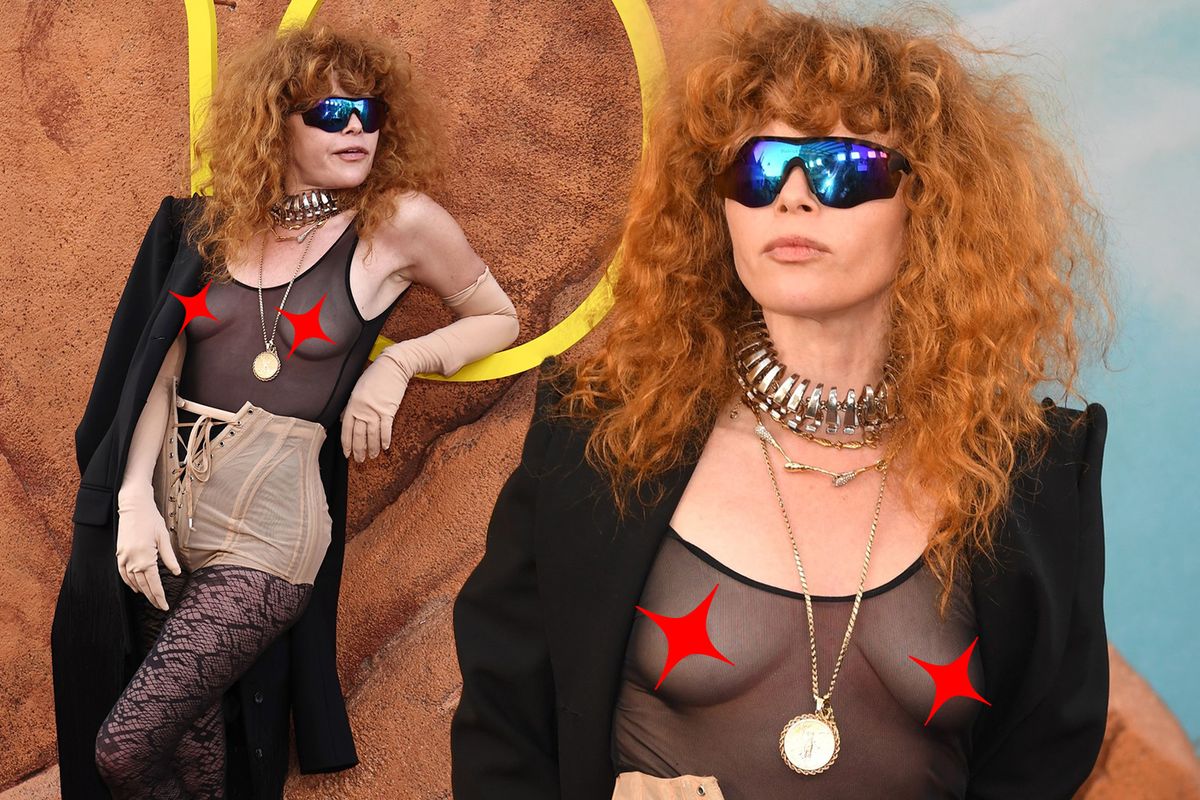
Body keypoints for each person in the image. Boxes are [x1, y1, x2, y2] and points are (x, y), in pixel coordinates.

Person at [449, 2, 1112, 799]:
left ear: (930, 201)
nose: (793, 198)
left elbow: (1040, 766)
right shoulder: (594, 436)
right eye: (758, 168)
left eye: (843, 167)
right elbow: (504, 742)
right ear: (718, 204)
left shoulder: (1036, 471)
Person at [51, 22, 519, 799]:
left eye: (370, 113)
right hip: (166, 519)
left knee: (124, 750)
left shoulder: (397, 223)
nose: (356, 129)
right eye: (331, 113)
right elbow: (158, 380)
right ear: (277, 120)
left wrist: (397, 362)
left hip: (268, 534)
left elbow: (498, 316)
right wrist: (133, 500)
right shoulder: (213, 226)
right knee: (197, 760)